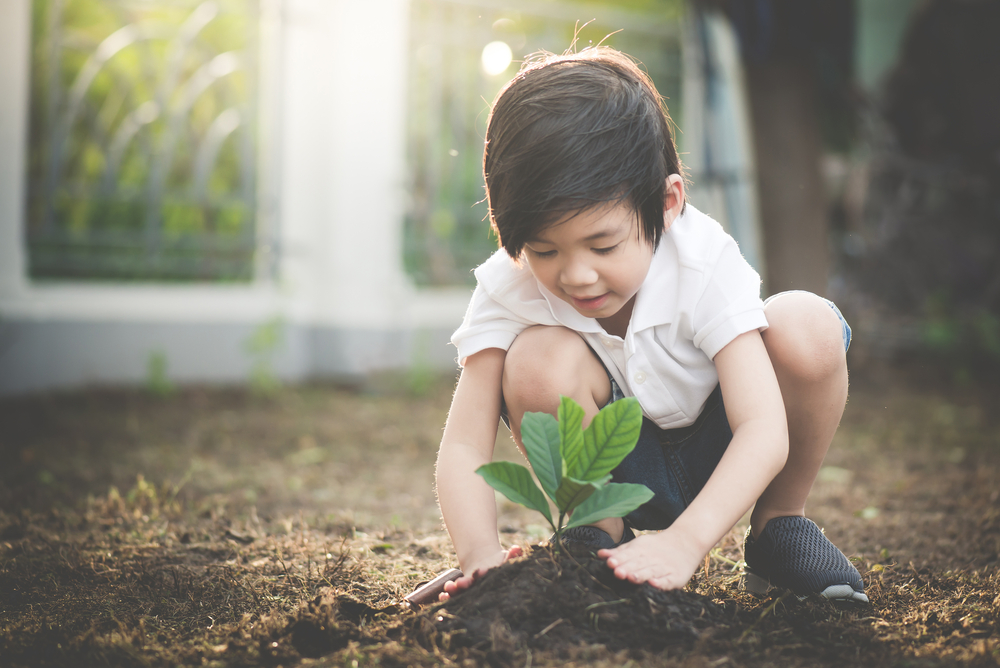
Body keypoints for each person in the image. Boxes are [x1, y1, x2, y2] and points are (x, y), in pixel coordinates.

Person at [434, 47, 867, 604]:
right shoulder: (509, 284)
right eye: (544, 249)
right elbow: (464, 444)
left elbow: (762, 427)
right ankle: (597, 530)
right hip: (612, 469)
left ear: (667, 203)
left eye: (603, 243)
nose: (576, 274)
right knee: (535, 360)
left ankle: (779, 526)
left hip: (727, 452)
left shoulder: (702, 259)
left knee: (806, 324)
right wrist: (479, 558)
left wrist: (685, 543)